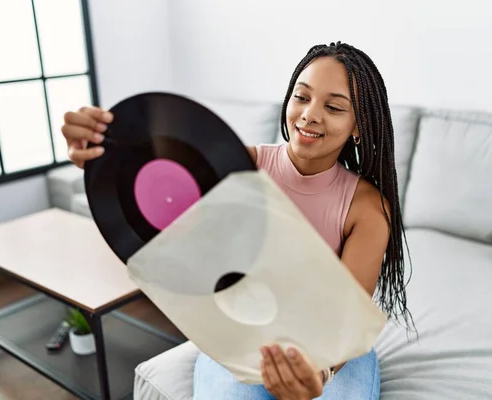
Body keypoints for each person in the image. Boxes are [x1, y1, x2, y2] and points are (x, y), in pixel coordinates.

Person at [61, 41, 414, 399]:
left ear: (359, 126)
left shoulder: (368, 209)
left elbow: (343, 321)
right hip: (241, 340)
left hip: (333, 354)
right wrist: (95, 153)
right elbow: (153, 183)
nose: (309, 114)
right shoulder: (240, 167)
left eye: (334, 106)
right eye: (301, 97)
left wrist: (318, 372)